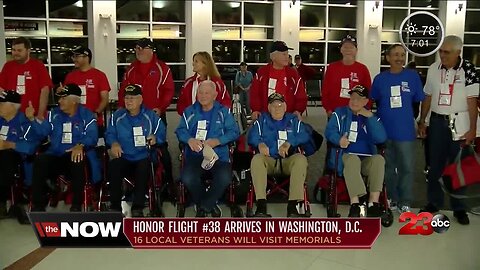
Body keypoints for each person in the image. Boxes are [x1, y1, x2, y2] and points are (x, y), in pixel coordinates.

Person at [418, 35, 479, 225]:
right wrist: (422, 121)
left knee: (458, 167)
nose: (442, 55)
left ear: (458, 52)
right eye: (440, 51)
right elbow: (427, 96)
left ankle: (459, 208)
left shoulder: (468, 70)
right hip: (437, 123)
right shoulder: (433, 69)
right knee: (434, 166)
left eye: (447, 52)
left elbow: (472, 102)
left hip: (459, 125)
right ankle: (433, 202)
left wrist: (472, 130)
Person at [370, 44, 425, 213]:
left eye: (402, 55)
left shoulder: (413, 77)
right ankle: (391, 198)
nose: (400, 58)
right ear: (388, 58)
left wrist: (420, 121)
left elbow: (418, 100)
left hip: (406, 132)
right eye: (395, 55)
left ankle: (405, 200)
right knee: (387, 168)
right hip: (384, 131)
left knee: (407, 168)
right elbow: (373, 100)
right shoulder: (380, 79)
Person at [28, 84, 98, 212]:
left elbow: (92, 136)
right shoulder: (54, 114)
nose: (59, 101)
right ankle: (38, 205)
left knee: (77, 158)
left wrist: (80, 145)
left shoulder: (86, 115)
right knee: (40, 160)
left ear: (74, 101)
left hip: (74, 155)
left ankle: (76, 204)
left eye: (63, 98)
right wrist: (32, 119)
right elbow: (42, 132)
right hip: (56, 154)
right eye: (59, 98)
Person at [176, 80, 239, 217]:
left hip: (218, 156)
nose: (203, 96)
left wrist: (217, 141)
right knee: (187, 177)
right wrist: (189, 139)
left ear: (215, 95)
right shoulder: (189, 112)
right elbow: (180, 131)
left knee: (225, 177)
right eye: (200, 92)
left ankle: (204, 206)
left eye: (207, 93)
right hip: (195, 156)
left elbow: (234, 132)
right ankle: (209, 204)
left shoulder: (224, 112)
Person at [118, 38, 174, 190]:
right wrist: (121, 109)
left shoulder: (162, 68)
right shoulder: (131, 69)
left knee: (161, 148)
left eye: (142, 49)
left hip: (154, 116)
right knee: (133, 147)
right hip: (133, 117)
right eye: (136, 49)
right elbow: (123, 91)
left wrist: (161, 108)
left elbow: (168, 90)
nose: (138, 52)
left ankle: (168, 183)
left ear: (151, 50)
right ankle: (136, 180)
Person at [325, 85, 387, 217]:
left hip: (367, 159)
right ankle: (356, 202)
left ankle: (373, 203)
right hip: (346, 156)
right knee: (352, 159)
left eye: (358, 98)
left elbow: (381, 138)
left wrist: (370, 117)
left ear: (365, 101)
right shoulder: (340, 113)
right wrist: (338, 139)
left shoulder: (371, 116)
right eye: (352, 97)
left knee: (379, 160)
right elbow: (329, 131)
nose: (354, 101)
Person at [105, 84, 166, 217]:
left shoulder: (150, 116)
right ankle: (115, 206)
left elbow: (161, 133)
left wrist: (155, 138)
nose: (128, 101)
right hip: (124, 156)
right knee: (114, 165)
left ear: (140, 99)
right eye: (126, 98)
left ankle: (137, 206)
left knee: (144, 167)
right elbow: (110, 133)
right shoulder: (117, 116)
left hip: (143, 156)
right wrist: (114, 143)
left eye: (132, 98)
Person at [248, 92, 310, 217]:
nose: (277, 109)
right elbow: (252, 137)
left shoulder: (293, 121)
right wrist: (260, 144)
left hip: (288, 160)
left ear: (285, 107)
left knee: (301, 159)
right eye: (273, 106)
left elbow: (305, 135)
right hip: (269, 160)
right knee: (256, 159)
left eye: (280, 105)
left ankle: (292, 206)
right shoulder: (262, 121)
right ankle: (261, 205)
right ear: (269, 108)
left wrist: (289, 143)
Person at [0, 91, 39, 220]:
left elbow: (31, 146)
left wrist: (10, 145)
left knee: (5, 156)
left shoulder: (24, 122)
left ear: (12, 106)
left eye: (1, 104)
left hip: (18, 159)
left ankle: (2, 202)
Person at [249, 41, 307, 121]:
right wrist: (256, 110)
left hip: (288, 117)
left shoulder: (293, 74)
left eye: (287, 54)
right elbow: (255, 93)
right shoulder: (262, 73)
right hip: (266, 118)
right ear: (273, 57)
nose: (287, 57)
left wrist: (298, 110)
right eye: (283, 54)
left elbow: (300, 94)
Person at [0, 37, 53, 119]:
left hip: (32, 116)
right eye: (13, 50)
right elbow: (1, 89)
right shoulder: (8, 66)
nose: (15, 53)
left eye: (19, 50)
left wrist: (40, 114)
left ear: (28, 51)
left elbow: (45, 91)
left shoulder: (38, 66)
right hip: (12, 117)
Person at [61, 46, 110, 132]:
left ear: (86, 57)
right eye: (73, 57)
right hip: (74, 122)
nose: (74, 59)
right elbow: (66, 97)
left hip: (93, 122)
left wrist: (96, 113)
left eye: (77, 56)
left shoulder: (99, 76)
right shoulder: (70, 76)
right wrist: (61, 92)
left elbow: (105, 99)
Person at [322, 35, 371, 118]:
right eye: (345, 47)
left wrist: (366, 108)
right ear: (341, 50)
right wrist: (328, 109)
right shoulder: (332, 68)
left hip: (357, 112)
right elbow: (325, 90)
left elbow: (368, 91)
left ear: (356, 50)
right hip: (335, 112)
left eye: (351, 47)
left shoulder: (362, 69)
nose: (348, 50)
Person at [177, 51, 231, 116]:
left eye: (196, 61)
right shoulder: (188, 83)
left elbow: (225, 103)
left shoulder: (217, 83)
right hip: (192, 122)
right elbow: (181, 103)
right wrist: (188, 115)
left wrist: (217, 118)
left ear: (205, 64)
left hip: (213, 123)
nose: (193, 64)